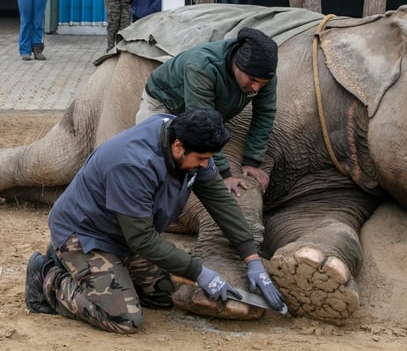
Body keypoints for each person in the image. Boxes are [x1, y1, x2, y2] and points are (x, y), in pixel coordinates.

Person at [24, 108, 288, 333]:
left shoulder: (185, 139)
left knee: (162, 294)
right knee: (124, 318)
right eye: (201, 160)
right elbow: (142, 238)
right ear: (178, 147)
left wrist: (251, 257)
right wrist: (201, 273)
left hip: (123, 233)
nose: (205, 166)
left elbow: (221, 203)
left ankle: (102, 273)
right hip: (85, 234)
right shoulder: (133, 164)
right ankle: (48, 277)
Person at [135, 27, 277, 196]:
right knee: (156, 159)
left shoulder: (264, 75)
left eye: (263, 82)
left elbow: (265, 113)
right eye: (252, 80)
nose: (256, 87)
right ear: (236, 65)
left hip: (208, 106)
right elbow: (201, 124)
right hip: (165, 102)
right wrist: (224, 174)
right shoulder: (202, 66)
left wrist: (252, 161)